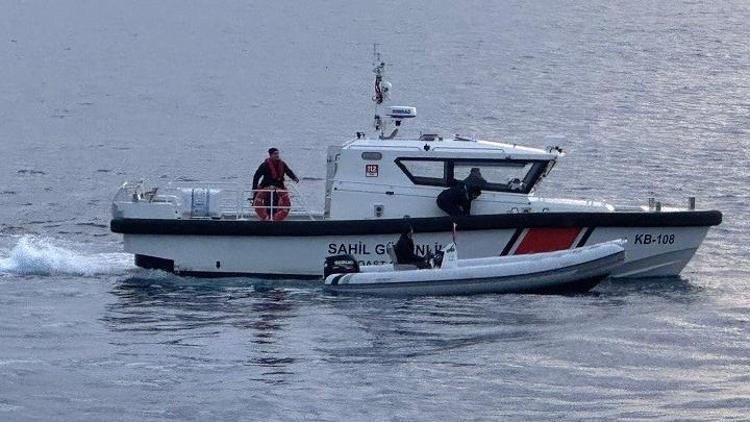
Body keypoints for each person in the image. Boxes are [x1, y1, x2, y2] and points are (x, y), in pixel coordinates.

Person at [252, 148, 299, 214]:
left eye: (277, 153)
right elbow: (256, 177)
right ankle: (268, 217)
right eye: (275, 154)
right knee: (269, 201)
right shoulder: (265, 165)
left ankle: (276, 216)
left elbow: (288, 171)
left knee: (278, 201)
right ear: (270, 155)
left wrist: (294, 178)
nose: (277, 155)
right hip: (267, 186)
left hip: (279, 186)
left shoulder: (282, 164)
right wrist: (254, 190)